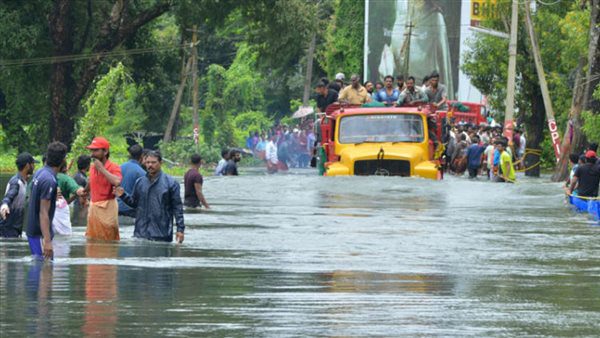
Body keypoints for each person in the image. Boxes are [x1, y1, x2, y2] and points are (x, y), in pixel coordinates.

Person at [115, 151, 184, 243]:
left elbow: (177, 208)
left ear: (160, 163)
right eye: (147, 162)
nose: (150, 165)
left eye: (153, 162)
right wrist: (123, 195)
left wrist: (180, 230)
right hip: (141, 232)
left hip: (161, 233)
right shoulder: (140, 182)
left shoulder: (171, 183)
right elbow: (135, 203)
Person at [26, 142, 67, 260]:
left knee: (41, 270)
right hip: (39, 234)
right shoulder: (49, 180)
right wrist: (47, 241)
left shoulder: (40, 172)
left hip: (34, 231)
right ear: (62, 160)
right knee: (44, 270)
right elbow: (43, 212)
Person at [85, 137, 122, 241]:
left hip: (107, 209)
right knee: (92, 241)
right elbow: (91, 182)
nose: (92, 153)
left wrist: (101, 168)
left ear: (105, 151)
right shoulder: (92, 167)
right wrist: (83, 192)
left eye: (95, 150)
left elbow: (117, 182)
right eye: (91, 150)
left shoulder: (114, 167)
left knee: (108, 240)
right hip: (93, 209)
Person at [0, 153, 38, 238]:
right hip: (8, 229)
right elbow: (10, 195)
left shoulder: (22, 181)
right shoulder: (16, 182)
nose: (34, 166)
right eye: (33, 164)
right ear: (28, 165)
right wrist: (5, 204)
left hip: (14, 228)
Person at [53, 160, 86, 236]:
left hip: (45, 211)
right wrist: (83, 191)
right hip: (60, 214)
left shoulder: (42, 176)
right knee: (64, 236)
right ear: (64, 168)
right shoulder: (65, 178)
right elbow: (78, 190)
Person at [117, 144, 145, 219]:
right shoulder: (141, 173)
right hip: (131, 210)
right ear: (142, 156)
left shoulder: (119, 168)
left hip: (116, 208)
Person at [72, 155, 90, 227]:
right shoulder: (80, 178)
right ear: (87, 165)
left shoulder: (79, 176)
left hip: (80, 207)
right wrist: (83, 212)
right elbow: (81, 196)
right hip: (80, 208)